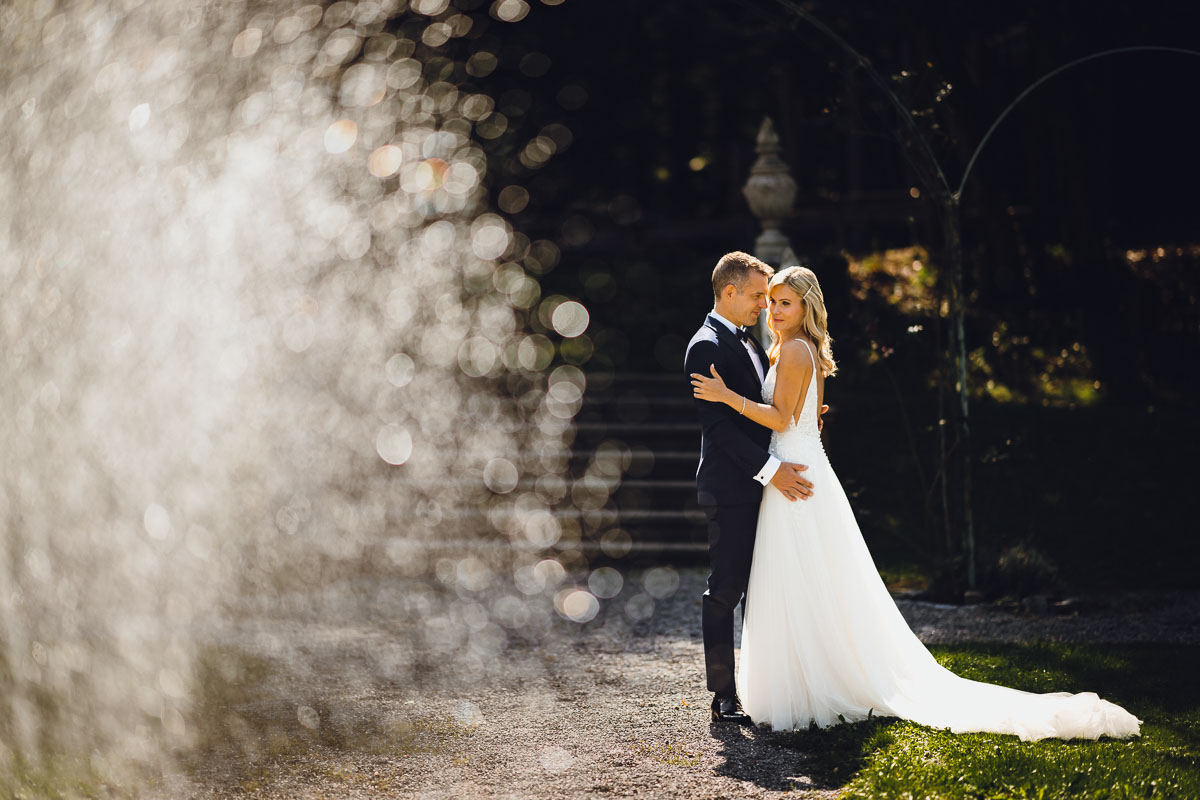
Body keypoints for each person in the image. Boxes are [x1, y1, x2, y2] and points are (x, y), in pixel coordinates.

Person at [690, 264, 1141, 740]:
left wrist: (728, 396)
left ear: (806, 307)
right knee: (805, 582)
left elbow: (781, 417)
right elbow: (802, 413)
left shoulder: (795, 348)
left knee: (804, 580)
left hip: (793, 473)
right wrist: (801, 416)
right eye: (769, 300)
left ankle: (816, 683)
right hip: (792, 470)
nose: (771, 309)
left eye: (782, 302)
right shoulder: (780, 347)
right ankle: (801, 678)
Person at [684, 252, 816, 725]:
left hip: (767, 486)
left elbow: (770, 405)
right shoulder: (705, 347)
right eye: (759, 295)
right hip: (734, 488)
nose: (765, 305)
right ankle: (723, 696)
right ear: (729, 292)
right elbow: (719, 426)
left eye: (770, 297)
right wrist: (770, 471)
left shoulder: (756, 343)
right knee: (725, 591)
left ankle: (774, 687)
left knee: (768, 590)